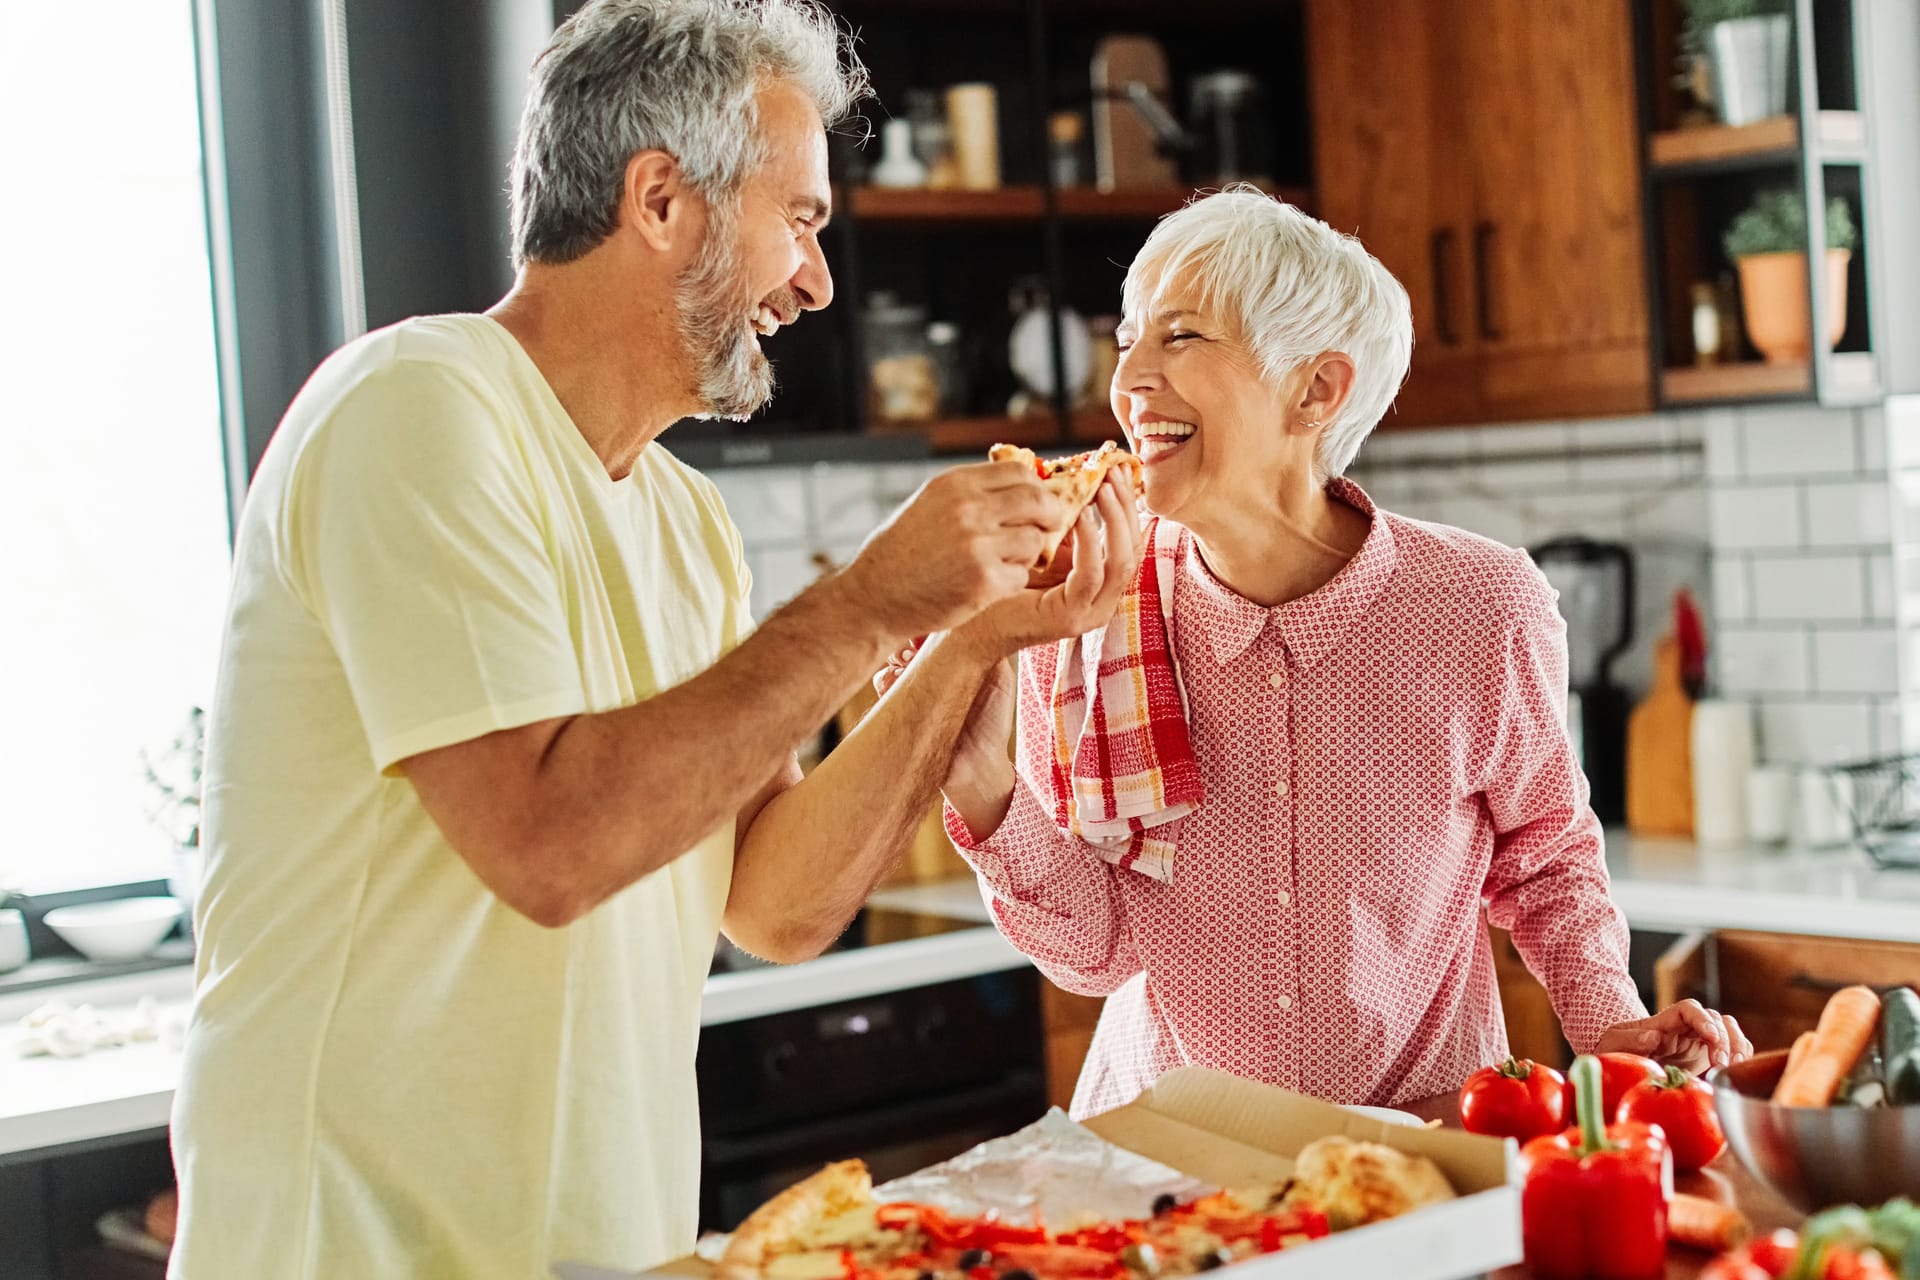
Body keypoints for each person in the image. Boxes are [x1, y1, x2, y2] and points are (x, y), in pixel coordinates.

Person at [167, 2, 1139, 1276]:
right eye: (798, 218)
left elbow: (775, 901)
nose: (817, 281)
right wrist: (869, 603)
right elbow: (550, 844)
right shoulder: (417, 409)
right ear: (663, 200)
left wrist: (964, 642)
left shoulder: (684, 521)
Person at [882, 187, 1752, 1120]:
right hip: (1170, 1161)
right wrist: (979, 780)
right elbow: (1094, 954)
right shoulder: (1082, 611)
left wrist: (1609, 1026)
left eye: (1181, 337)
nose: (1128, 376)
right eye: (1130, 336)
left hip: (1419, 1152)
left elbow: (1545, 858)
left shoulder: (1479, 606)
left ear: (1316, 390)